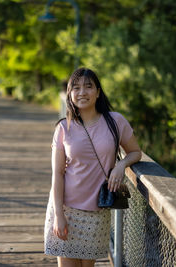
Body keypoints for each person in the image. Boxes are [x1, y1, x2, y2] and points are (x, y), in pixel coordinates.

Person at [44, 68, 142, 267]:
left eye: (88, 87)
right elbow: (57, 174)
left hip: (97, 212)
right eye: (76, 88)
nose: (82, 92)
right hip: (66, 209)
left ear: (98, 92)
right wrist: (59, 216)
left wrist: (121, 165)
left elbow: (135, 152)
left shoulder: (116, 121)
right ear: (70, 94)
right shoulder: (64, 127)